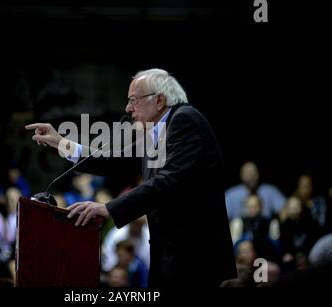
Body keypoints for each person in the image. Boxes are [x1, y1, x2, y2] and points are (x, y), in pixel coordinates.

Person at [26, 68, 236, 287]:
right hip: (171, 255)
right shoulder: (158, 131)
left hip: (194, 257)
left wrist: (108, 207)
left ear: (159, 100)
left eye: (134, 100)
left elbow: (169, 180)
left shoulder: (185, 120)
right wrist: (60, 142)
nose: (127, 108)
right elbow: (113, 161)